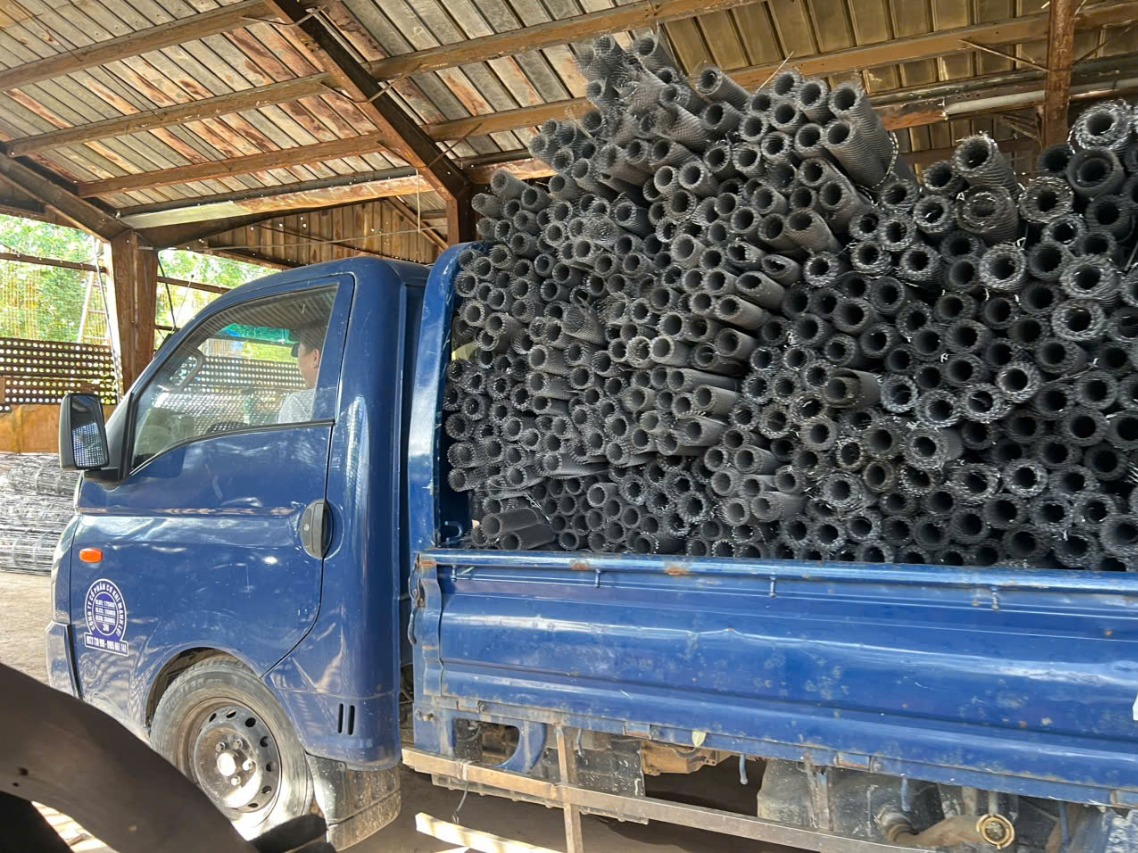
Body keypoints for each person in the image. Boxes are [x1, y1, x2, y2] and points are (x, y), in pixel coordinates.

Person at [277, 322, 325, 424]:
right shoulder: (352, 400)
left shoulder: (297, 403)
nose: (297, 363)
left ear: (315, 357)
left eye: (299, 353)